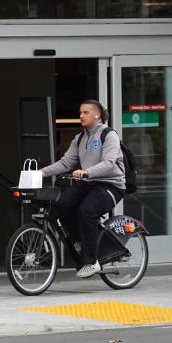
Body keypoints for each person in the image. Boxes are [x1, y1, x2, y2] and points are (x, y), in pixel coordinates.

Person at [40, 100, 125, 279]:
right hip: (89, 183)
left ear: (97, 115)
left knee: (87, 211)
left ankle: (92, 261)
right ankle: (79, 241)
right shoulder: (79, 138)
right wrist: (43, 172)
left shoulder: (109, 135)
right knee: (62, 205)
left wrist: (87, 171)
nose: (81, 116)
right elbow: (65, 163)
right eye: (80, 112)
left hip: (111, 184)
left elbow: (109, 164)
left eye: (86, 112)